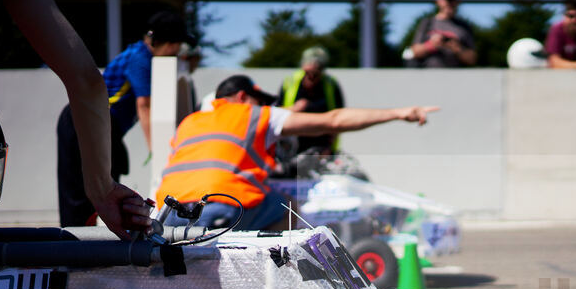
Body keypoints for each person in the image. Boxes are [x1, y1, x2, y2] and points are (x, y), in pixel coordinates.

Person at [155, 75, 438, 230]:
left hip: (168, 214)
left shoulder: (189, 123)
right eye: (259, 100)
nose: (264, 106)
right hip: (221, 209)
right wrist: (399, 113)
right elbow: (334, 121)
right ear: (243, 98)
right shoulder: (255, 115)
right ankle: (274, 275)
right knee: (289, 206)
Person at [0, 0, 151, 252]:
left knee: (75, 212)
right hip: (90, 119)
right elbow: (87, 82)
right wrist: (102, 188)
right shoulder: (141, 58)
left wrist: (102, 189)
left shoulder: (135, 54)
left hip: (91, 120)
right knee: (76, 211)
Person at [57, 10, 192, 228]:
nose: (176, 52)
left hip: (98, 122)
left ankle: (87, 245)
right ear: (168, 42)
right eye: (176, 45)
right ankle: (78, 249)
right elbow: (144, 105)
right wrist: (158, 151)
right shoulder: (141, 59)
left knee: (103, 183)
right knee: (81, 192)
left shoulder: (136, 53)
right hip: (86, 121)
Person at [278, 47, 346, 155]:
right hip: (292, 148)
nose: (311, 77)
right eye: (308, 73)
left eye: (315, 74)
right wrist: (293, 109)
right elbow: (276, 114)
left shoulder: (330, 85)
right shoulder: (290, 82)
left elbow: (340, 117)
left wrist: (329, 147)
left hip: (321, 148)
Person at [408, 0, 477, 68]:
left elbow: (472, 59)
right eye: (446, 0)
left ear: (458, 1)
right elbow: (413, 52)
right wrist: (431, 44)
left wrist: (457, 48)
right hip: (428, 74)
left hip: (456, 75)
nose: (449, 4)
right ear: (437, 0)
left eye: (452, 0)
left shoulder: (464, 27)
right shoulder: (427, 23)